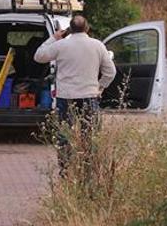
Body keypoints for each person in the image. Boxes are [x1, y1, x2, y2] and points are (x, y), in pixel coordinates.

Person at [33, 15, 116, 175]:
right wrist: (100, 87)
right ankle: (89, 169)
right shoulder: (97, 46)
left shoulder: (61, 45)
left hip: (66, 97)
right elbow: (110, 72)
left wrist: (54, 37)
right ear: (87, 28)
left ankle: (65, 170)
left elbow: (38, 56)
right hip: (89, 96)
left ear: (69, 29)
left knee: (64, 135)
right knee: (90, 135)